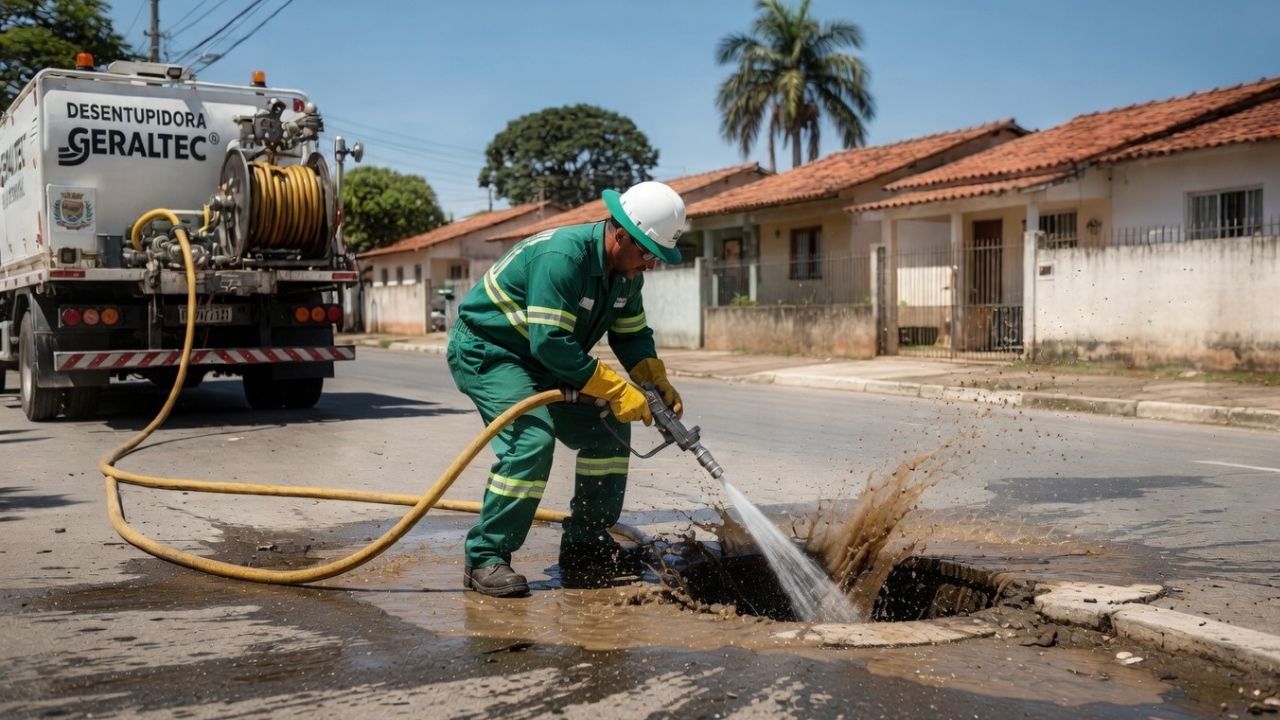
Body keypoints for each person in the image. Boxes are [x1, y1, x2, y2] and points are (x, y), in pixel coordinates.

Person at [446, 181, 687, 597]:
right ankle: (485, 556)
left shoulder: (626, 277)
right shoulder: (563, 257)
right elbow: (551, 342)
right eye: (648, 253)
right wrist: (616, 388)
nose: (650, 264)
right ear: (621, 235)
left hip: (545, 359)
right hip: (492, 351)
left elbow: (631, 336)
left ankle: (584, 546)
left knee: (607, 426)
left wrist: (653, 379)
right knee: (531, 441)